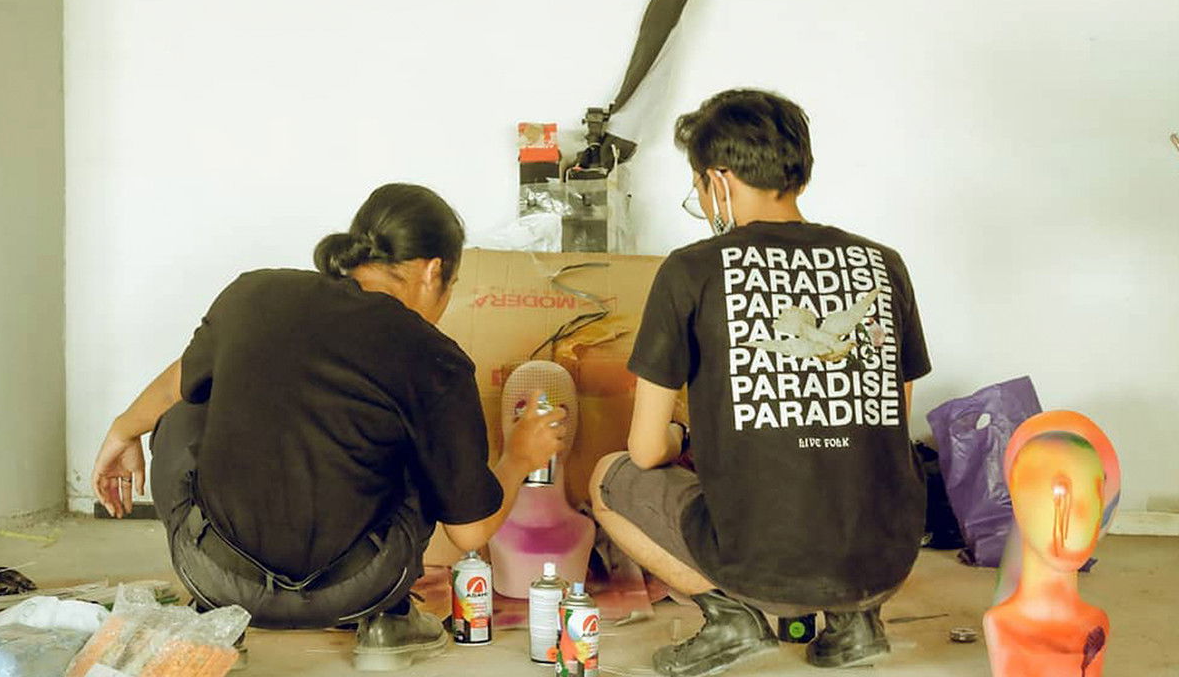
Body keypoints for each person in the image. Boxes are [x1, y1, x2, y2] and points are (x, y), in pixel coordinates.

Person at [89, 184, 566, 672]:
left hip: (215, 576)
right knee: (416, 439)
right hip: (362, 586)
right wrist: (519, 457)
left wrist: (123, 432)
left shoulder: (253, 295)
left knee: (186, 409)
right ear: (433, 271)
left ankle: (216, 622)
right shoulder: (433, 356)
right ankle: (388, 624)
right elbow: (470, 533)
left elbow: (178, 381)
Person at [589, 89, 932, 676]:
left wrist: (681, 438)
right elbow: (890, 426)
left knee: (609, 477)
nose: (703, 201)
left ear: (719, 181)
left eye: (699, 186)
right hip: (883, 559)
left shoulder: (692, 270)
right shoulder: (884, 264)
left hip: (763, 566)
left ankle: (732, 620)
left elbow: (645, 449)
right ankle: (855, 624)